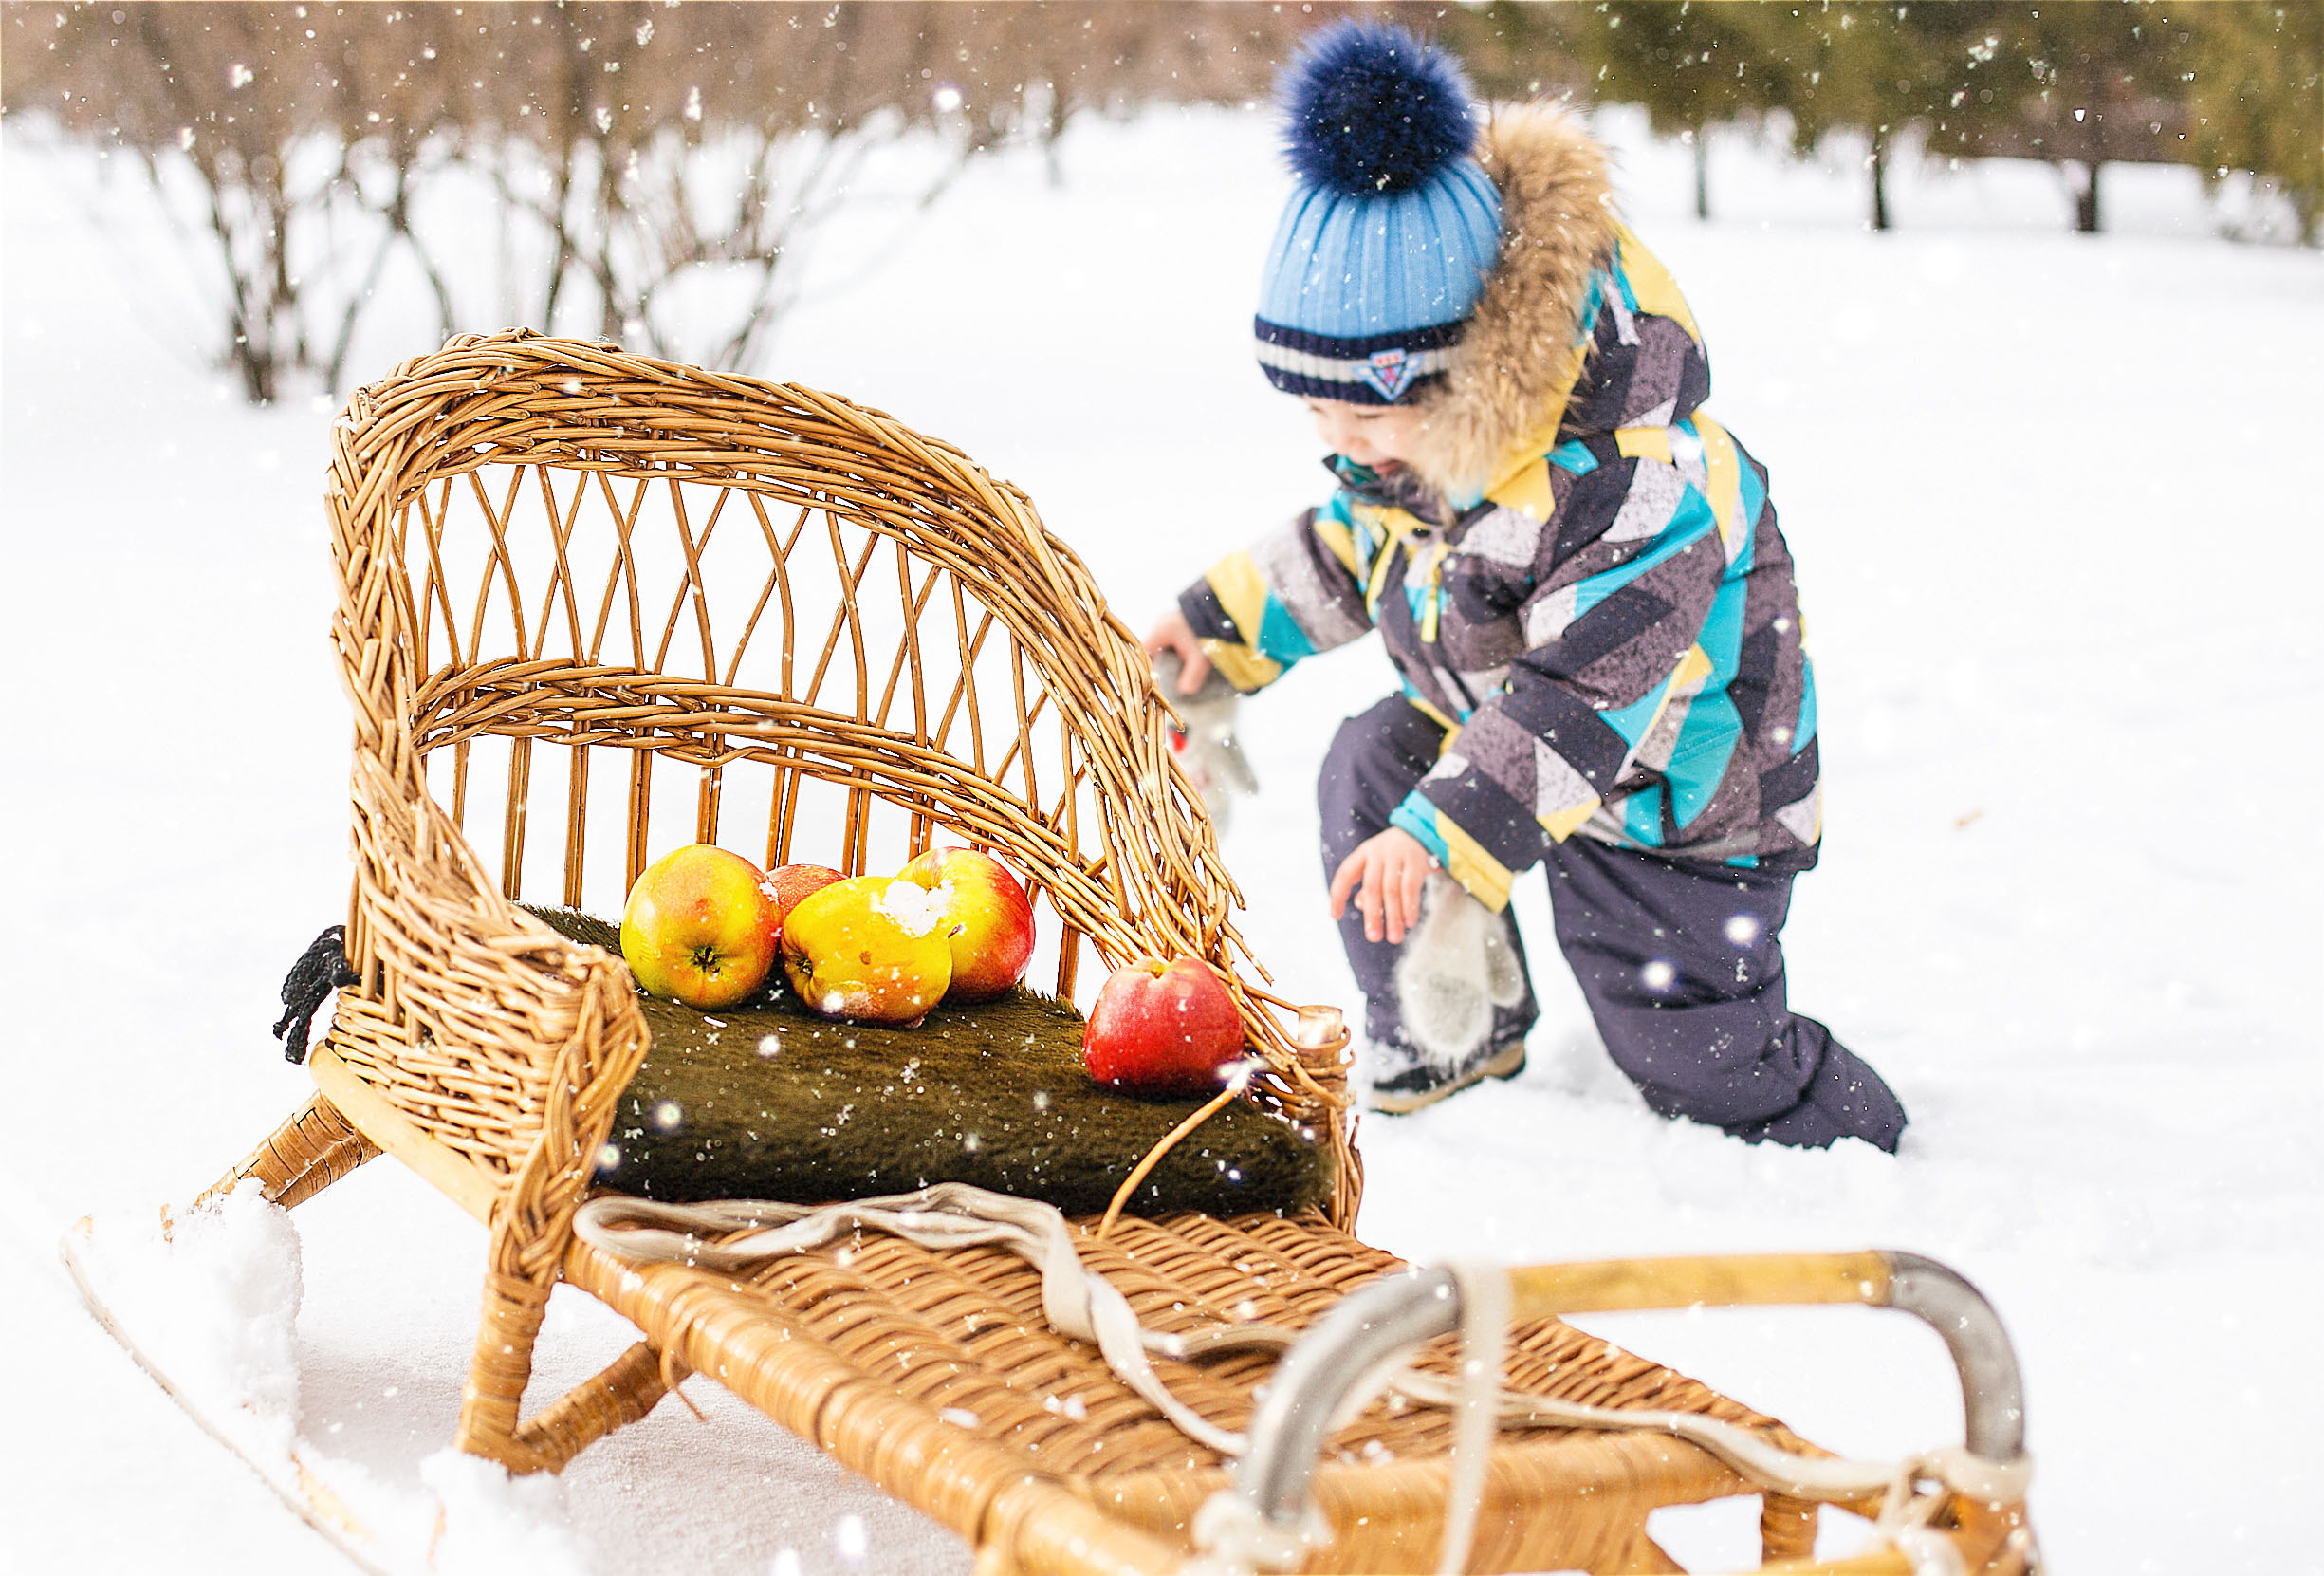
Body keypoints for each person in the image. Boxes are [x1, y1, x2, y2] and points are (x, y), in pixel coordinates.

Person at [1143, 20, 1907, 1150]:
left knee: (1683, 1046)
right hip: (1513, 743)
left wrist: (1445, 832)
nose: (1346, 447)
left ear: (1467, 368)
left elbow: (1586, 694)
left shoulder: (1630, 481)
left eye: (1365, 411)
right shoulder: (1420, 451)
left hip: (1676, 797)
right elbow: (1353, 547)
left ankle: (1836, 1127)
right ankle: (1451, 1021)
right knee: (1370, 761)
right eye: (1317, 415)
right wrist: (1216, 626)